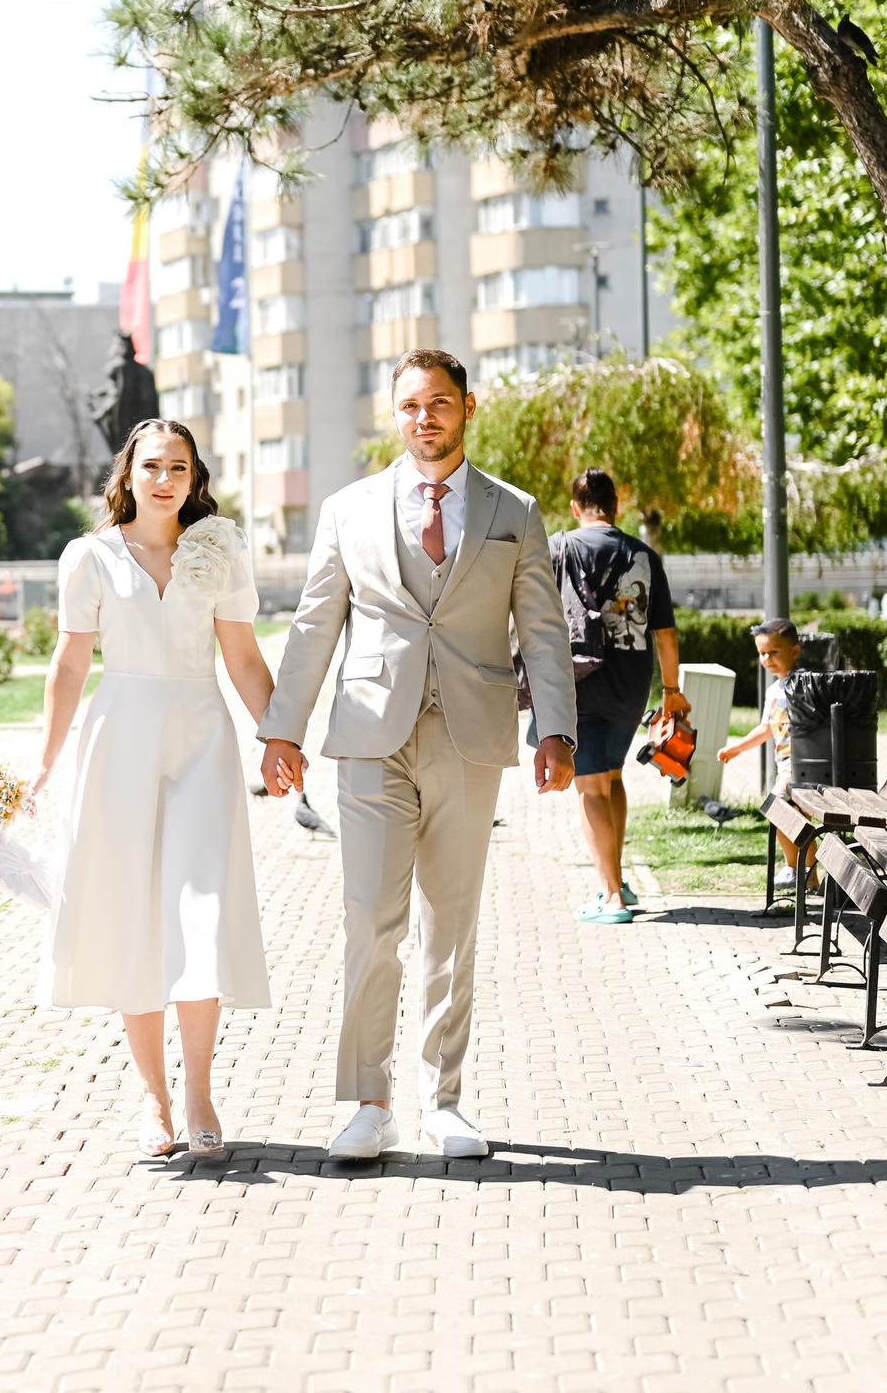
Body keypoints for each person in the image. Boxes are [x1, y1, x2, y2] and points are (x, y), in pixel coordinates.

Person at [258, 348, 576, 1163]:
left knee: (452, 925)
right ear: (393, 415)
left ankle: (444, 1099)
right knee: (369, 920)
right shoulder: (349, 509)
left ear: (468, 406)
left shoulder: (516, 512)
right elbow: (314, 623)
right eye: (410, 405)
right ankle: (369, 1101)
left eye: (439, 402)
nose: (424, 417)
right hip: (370, 737)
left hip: (469, 741)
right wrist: (281, 729)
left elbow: (542, 630)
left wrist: (557, 730)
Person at [34, 418, 277, 1163]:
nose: (165, 479)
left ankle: (200, 1089)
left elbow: (241, 656)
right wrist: (42, 765)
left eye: (179, 466)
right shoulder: (91, 557)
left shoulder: (220, 548)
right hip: (120, 743)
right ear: (128, 474)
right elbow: (71, 666)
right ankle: (154, 1097)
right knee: (135, 918)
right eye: (152, 466)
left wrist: (279, 735)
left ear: (193, 475)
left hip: (202, 739)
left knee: (201, 916)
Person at [554, 469, 689, 924]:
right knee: (610, 778)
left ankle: (611, 898)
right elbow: (666, 635)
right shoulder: (644, 555)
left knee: (589, 787)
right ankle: (616, 878)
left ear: (577, 508)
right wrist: (671, 693)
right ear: (616, 506)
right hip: (632, 685)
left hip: (580, 680)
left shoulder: (561, 547)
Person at [721, 618, 807, 889]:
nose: (767, 659)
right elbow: (766, 728)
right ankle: (810, 876)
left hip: (803, 765)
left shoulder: (804, 684)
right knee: (795, 819)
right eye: (762, 654)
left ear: (794, 651)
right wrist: (737, 748)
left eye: (774, 652)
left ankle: (795, 868)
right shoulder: (774, 690)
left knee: (778, 809)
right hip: (786, 766)